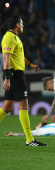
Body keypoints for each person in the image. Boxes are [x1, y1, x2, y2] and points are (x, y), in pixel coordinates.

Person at [0, 16, 47, 146]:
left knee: (7, 107)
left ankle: (29, 139)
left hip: (15, 74)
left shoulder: (15, 38)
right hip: (15, 75)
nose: (23, 26)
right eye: (21, 24)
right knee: (24, 105)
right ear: (16, 25)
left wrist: (30, 64)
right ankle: (29, 139)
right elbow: (6, 58)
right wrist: (7, 77)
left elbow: (18, 56)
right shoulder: (9, 37)